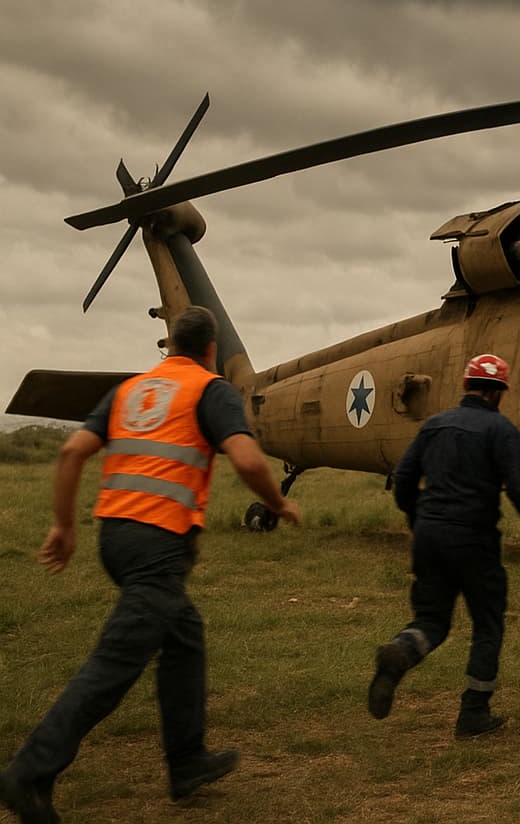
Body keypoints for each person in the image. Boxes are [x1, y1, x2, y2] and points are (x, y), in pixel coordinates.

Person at [0, 306, 301, 824]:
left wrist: (63, 527)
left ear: (170, 345)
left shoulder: (131, 390)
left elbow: (72, 452)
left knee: (183, 636)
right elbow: (249, 460)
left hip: (115, 537)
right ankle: (28, 774)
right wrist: (279, 504)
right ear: (211, 350)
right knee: (115, 664)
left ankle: (187, 764)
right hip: (158, 546)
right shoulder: (211, 390)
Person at [367, 353, 520, 738]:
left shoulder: (434, 425)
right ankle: (473, 715)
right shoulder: (501, 430)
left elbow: (403, 477)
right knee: (487, 624)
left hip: (430, 536)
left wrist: (417, 518)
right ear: (499, 393)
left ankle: (401, 652)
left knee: (431, 620)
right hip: (474, 540)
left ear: (467, 386)